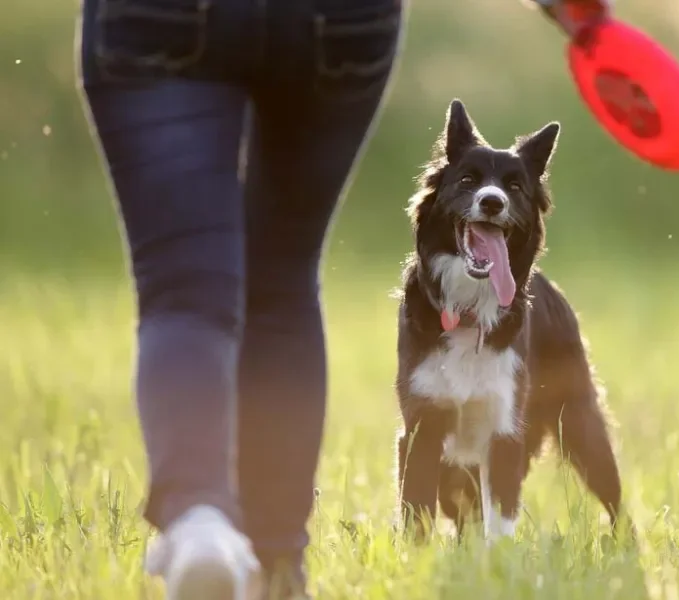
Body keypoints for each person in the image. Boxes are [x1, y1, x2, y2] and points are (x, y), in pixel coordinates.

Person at [76, 0, 606, 598]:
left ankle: (198, 518)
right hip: (337, 20)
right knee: (281, 283)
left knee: (185, 294)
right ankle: (277, 564)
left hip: (163, 18)